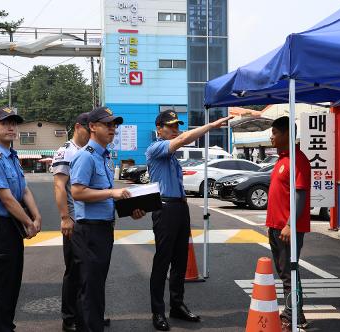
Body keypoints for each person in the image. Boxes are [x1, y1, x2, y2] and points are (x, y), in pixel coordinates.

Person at [146, 110, 232, 331]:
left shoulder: (172, 156)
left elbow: (182, 139)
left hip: (179, 208)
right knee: (162, 261)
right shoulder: (156, 149)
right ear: (159, 128)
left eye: (177, 125)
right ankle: (158, 311)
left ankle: (177, 305)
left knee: (180, 260)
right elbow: (183, 139)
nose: (175, 129)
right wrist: (211, 126)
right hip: (164, 208)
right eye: (170, 126)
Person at [70, 106, 145, 332]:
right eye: (107, 124)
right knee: (90, 289)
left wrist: (130, 208)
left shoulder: (104, 157)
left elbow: (104, 195)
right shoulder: (86, 156)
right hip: (89, 232)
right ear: (92, 127)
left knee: (96, 286)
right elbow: (77, 192)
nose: (113, 129)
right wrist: (112, 193)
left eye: (114, 125)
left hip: (102, 230)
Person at [0, 107, 41, 331]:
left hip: (12, 228)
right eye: (4, 122)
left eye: (14, 123)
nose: (10, 127)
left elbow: (23, 190)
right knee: (1, 288)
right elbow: (6, 199)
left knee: (12, 284)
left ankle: (6, 326)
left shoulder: (12, 157)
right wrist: (28, 221)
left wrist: (37, 215)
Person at [266, 116, 311, 330]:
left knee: (289, 271)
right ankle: (294, 313)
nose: (271, 136)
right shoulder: (282, 159)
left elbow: (300, 195)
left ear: (286, 134)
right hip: (276, 226)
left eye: (274, 132)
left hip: (287, 228)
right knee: (285, 271)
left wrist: (290, 224)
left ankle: (294, 314)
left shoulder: (298, 159)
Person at [52, 112, 91, 332]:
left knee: (89, 270)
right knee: (74, 269)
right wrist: (65, 217)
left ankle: (86, 312)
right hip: (74, 221)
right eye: (88, 129)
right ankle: (69, 317)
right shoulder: (65, 151)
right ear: (78, 127)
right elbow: (59, 186)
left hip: (89, 221)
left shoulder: (89, 151)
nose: (91, 133)